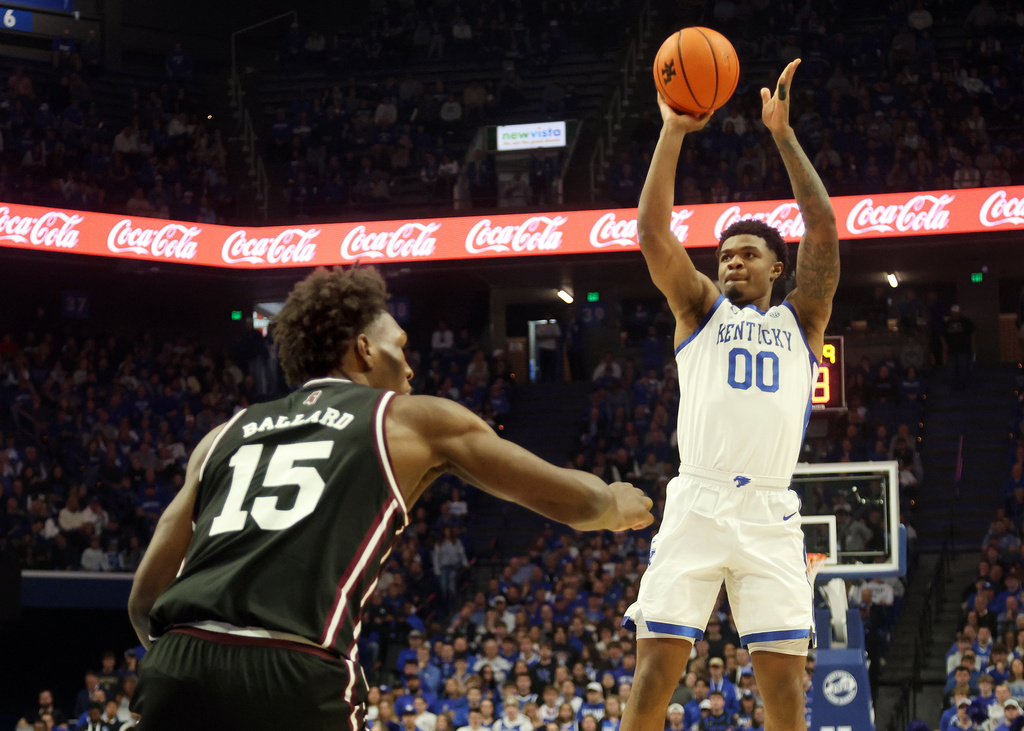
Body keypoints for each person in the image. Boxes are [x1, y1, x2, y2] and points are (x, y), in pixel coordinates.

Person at [127, 266, 653, 730]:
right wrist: (613, 501)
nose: (410, 367)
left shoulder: (221, 435)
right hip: (295, 665)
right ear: (362, 350)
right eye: (400, 348)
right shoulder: (411, 420)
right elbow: (575, 503)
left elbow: (144, 600)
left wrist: (202, 674)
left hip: (178, 661)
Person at [620, 59, 839, 731]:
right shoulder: (700, 311)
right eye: (725, 256)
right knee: (654, 678)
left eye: (748, 253)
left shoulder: (800, 320)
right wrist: (673, 133)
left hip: (772, 509)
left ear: (779, 267)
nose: (732, 261)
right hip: (700, 498)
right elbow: (654, 234)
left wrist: (782, 134)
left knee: (787, 695)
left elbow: (824, 228)